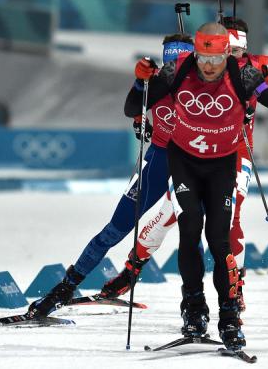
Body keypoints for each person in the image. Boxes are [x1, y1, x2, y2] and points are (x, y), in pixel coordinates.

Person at [128, 22, 268, 350]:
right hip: (185, 163)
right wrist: (140, 83)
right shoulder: (179, 70)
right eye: (203, 58)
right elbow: (134, 107)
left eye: (217, 58)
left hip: (224, 164)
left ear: (228, 54)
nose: (208, 66)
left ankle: (229, 316)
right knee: (188, 230)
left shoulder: (245, 75)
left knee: (220, 239)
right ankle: (193, 310)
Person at [27, 34, 195, 317]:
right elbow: (131, 108)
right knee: (116, 227)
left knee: (189, 231)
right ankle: (66, 287)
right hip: (159, 159)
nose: (174, 70)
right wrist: (140, 85)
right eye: (170, 64)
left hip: (193, 163)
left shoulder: (204, 86)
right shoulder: (157, 81)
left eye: (179, 63)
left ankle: (194, 305)